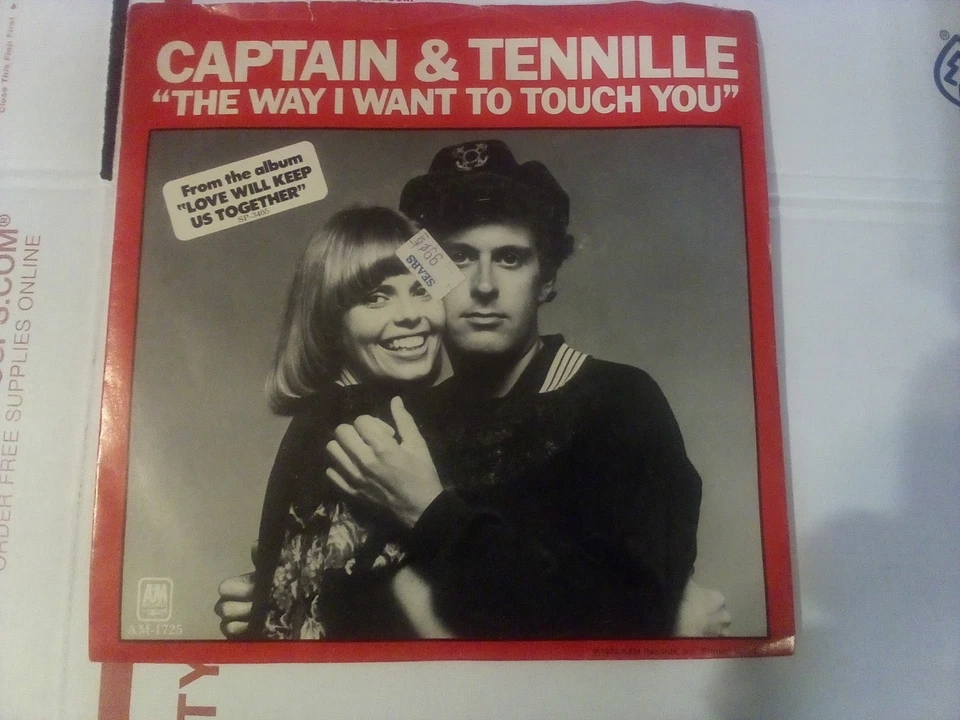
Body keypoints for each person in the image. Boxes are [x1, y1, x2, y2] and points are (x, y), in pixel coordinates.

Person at [218, 141, 729, 639]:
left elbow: (635, 618)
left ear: (547, 279)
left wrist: (428, 511)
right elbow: (356, 589)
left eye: (510, 258)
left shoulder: (618, 402)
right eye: (457, 258)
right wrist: (285, 597)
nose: (483, 286)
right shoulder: (406, 418)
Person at [245, 205, 448, 640]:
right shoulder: (364, 420)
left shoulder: (325, 413)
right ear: (330, 321)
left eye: (423, 289)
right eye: (376, 298)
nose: (410, 314)